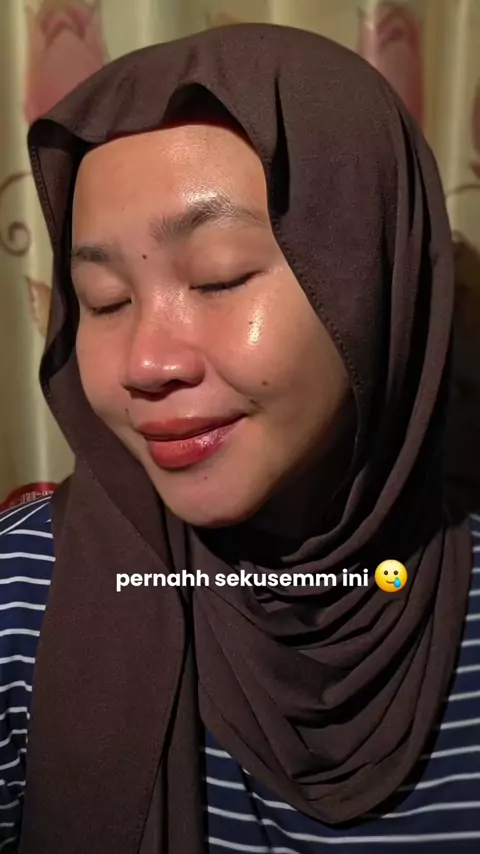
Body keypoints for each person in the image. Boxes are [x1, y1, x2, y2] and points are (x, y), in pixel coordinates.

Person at [0, 21, 478, 854]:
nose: (145, 363)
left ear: (376, 279)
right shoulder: (22, 598)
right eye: (105, 300)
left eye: (217, 277)